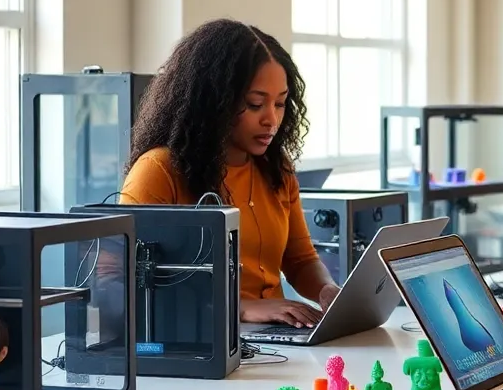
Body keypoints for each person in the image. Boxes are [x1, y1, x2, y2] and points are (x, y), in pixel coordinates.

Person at [120, 18, 340, 328]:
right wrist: (241, 308)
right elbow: (126, 282)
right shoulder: (159, 171)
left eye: (280, 104)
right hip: (200, 338)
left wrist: (327, 290)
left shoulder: (277, 169)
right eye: (255, 104)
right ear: (214, 102)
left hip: (276, 338)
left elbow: (300, 260)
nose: (271, 120)